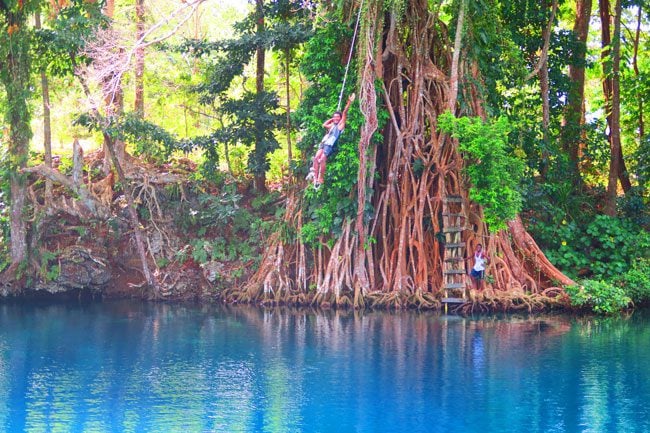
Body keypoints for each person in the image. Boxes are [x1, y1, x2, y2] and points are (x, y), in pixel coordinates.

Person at [306, 93, 355, 189]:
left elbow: (344, 113)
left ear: (340, 118)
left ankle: (321, 178)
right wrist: (332, 119)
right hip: (324, 143)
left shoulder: (341, 125)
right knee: (316, 158)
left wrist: (349, 103)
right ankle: (315, 178)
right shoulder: (332, 125)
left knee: (323, 158)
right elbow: (324, 125)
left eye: (338, 117)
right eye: (335, 117)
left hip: (330, 144)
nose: (336, 118)